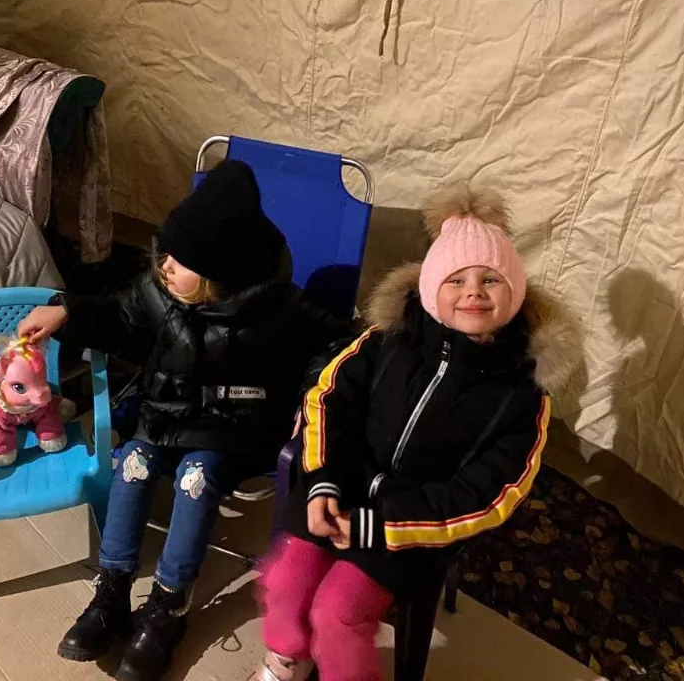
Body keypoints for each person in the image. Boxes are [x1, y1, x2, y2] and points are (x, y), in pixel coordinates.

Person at [18, 160, 355, 681]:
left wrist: (312, 398)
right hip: (164, 416)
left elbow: (335, 345)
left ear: (219, 274)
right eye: (166, 254)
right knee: (132, 463)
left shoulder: (275, 310)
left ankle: (169, 605)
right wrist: (68, 311)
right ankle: (112, 591)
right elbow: (119, 314)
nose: (165, 266)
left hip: (233, 429)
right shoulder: (162, 292)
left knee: (196, 480)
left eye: (180, 261)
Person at [249, 183, 582, 681]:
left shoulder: (522, 394)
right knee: (285, 578)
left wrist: (380, 525)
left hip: (411, 529)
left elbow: (490, 494)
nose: (473, 291)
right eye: (456, 278)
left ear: (514, 293)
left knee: (337, 613)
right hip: (338, 488)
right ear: (430, 288)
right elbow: (329, 399)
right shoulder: (387, 340)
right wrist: (322, 481)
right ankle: (285, 657)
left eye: (491, 279)